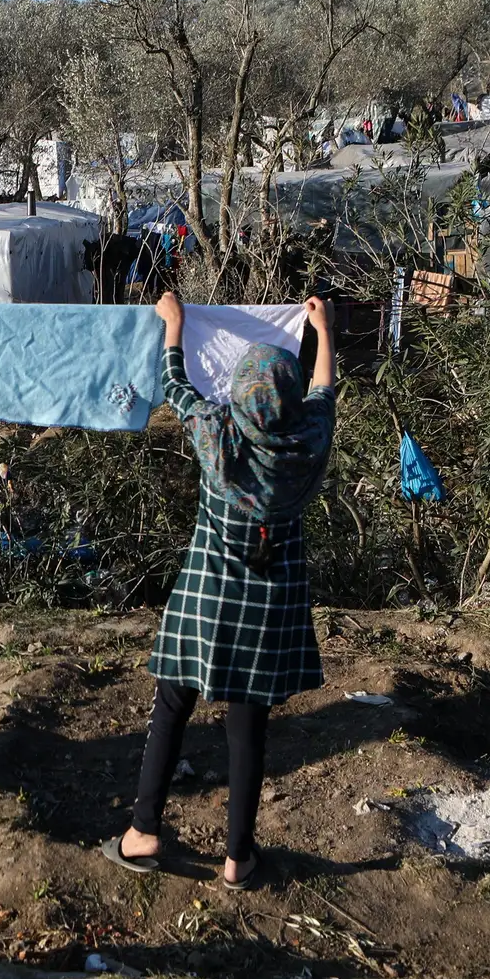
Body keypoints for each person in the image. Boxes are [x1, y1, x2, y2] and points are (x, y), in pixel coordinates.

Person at [101, 291, 337, 889]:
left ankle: (143, 830)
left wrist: (174, 327)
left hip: (206, 599)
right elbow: (324, 393)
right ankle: (238, 859)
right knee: (247, 728)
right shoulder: (307, 446)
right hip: (269, 608)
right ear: (286, 402)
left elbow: (175, 385)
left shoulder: (216, 435)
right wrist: (321, 330)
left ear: (238, 398)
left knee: (172, 704)